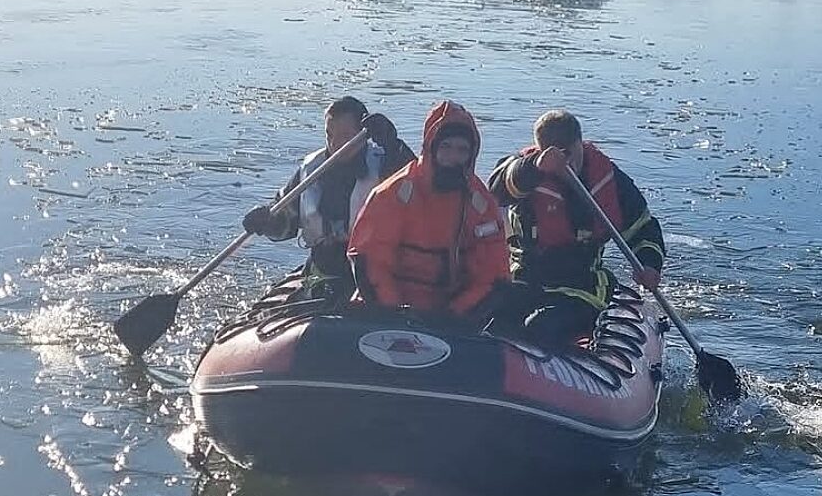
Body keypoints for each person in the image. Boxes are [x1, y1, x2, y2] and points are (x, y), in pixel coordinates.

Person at [488, 109, 666, 347]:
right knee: (493, 320)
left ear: (580, 143)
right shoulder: (524, 170)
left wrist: (650, 264)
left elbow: (643, 228)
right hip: (525, 277)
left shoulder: (611, 180)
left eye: (568, 153)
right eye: (554, 153)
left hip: (581, 285)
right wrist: (535, 166)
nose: (564, 162)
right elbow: (497, 191)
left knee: (541, 326)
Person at [345, 100, 509, 324]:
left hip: (453, 317)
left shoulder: (481, 204)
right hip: (388, 312)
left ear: (472, 155)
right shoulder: (393, 194)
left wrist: (454, 316)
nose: (453, 158)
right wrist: (396, 314)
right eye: (446, 147)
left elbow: (492, 272)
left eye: (462, 150)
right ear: (432, 147)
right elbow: (371, 261)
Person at [242, 96, 415, 302]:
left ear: (363, 135)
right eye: (329, 135)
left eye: (344, 136)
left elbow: (420, 194)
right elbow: (285, 224)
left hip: (375, 272)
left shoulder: (388, 164)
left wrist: (394, 146)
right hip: (325, 269)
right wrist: (266, 221)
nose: (334, 144)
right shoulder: (311, 170)